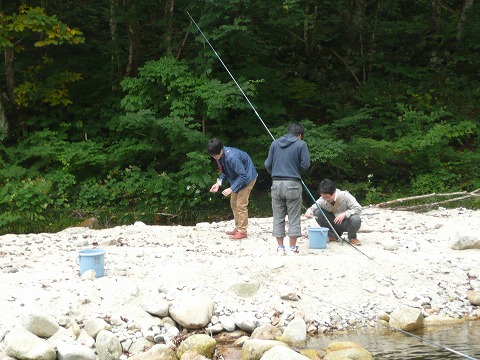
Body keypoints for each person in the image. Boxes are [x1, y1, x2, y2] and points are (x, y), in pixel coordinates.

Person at [264, 123, 310, 255]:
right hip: (293, 183)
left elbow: (267, 164)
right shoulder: (301, 144)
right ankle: (292, 247)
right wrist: (296, 171)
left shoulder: (275, 144)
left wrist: (274, 171)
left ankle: (280, 248)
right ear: (299, 135)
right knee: (294, 217)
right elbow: (305, 164)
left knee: (278, 216)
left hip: (276, 183)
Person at [207, 138, 258, 240]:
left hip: (248, 178)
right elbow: (223, 171)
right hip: (237, 179)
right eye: (213, 156)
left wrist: (231, 189)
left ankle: (242, 231)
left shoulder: (232, 157)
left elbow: (243, 176)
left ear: (221, 150)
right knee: (233, 203)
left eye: (215, 155)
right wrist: (218, 184)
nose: (214, 157)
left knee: (241, 205)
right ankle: (238, 227)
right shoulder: (219, 156)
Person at [305, 178, 362, 246]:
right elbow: (312, 208)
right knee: (317, 212)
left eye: (328, 197)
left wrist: (345, 214)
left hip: (346, 223)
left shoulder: (345, 196)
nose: (326, 200)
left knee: (356, 219)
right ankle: (332, 235)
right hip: (333, 222)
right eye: (323, 197)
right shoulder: (322, 200)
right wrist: (308, 212)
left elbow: (358, 209)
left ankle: (352, 237)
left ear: (334, 192)